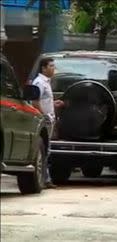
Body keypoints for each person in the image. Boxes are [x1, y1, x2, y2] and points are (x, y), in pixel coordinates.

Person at [31, 57, 64, 189]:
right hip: (44, 120)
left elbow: (44, 101)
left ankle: (46, 178)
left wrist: (54, 104)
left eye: (53, 66)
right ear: (43, 68)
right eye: (50, 66)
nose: (53, 68)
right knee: (44, 150)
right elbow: (35, 101)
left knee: (46, 150)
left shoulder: (46, 82)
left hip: (48, 119)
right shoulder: (39, 82)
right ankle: (44, 179)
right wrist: (43, 116)